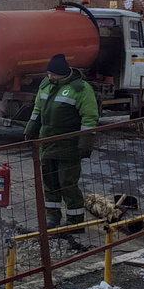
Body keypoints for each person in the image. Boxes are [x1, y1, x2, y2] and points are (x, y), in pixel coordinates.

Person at [23, 53, 99, 231]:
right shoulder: (45, 85)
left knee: (68, 184)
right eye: (48, 73)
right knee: (50, 183)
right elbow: (37, 109)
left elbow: (89, 116)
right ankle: (52, 217)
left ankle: (75, 222)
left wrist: (86, 141)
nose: (50, 77)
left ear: (64, 73)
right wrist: (31, 127)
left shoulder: (80, 89)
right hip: (47, 144)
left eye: (53, 74)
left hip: (68, 145)